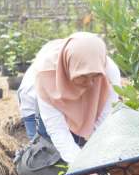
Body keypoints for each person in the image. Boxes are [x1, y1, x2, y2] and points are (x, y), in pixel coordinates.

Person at [16, 32, 120, 163]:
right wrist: (80, 164)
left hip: (79, 102)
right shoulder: (45, 75)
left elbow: (105, 116)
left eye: (94, 76)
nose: (90, 83)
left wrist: (95, 151)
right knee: (45, 157)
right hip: (36, 102)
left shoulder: (108, 69)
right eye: (83, 76)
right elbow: (56, 128)